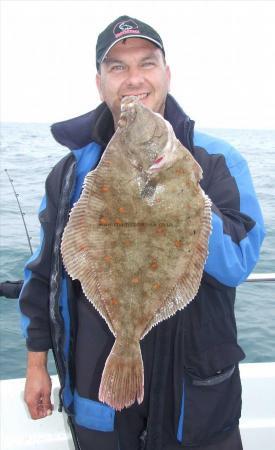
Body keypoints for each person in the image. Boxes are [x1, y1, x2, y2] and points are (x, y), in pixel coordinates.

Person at [19, 15, 265, 450]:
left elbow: (239, 264)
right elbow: (45, 275)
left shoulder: (216, 161)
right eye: (117, 67)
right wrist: (36, 362)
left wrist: (185, 192)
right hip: (101, 401)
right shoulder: (71, 173)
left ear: (166, 74)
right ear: (100, 83)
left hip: (196, 401)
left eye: (146, 64)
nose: (133, 79)